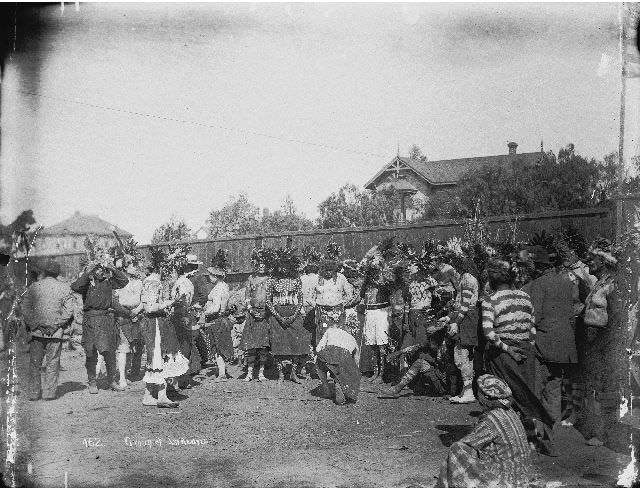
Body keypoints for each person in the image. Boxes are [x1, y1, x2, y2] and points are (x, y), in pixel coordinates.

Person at [481, 258, 556, 456]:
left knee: (505, 396)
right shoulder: (524, 297)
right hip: (526, 352)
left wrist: (508, 349)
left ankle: (508, 441)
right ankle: (535, 439)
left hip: (503, 354)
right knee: (528, 395)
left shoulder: (490, 300)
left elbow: (489, 333)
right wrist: (526, 348)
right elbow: (532, 328)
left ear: (492, 280)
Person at [434, 374, 533, 488]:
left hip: (508, 479)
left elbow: (469, 442)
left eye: (480, 393)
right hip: (523, 474)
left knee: (457, 449)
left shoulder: (491, 419)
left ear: (485, 397)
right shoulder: (510, 412)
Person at [521, 246, 582, 425]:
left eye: (530, 264)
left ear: (538, 266)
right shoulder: (566, 282)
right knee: (555, 387)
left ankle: (539, 431)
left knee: (537, 388)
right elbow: (573, 311)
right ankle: (551, 429)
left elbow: (535, 316)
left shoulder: (538, 284)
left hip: (544, 343)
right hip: (565, 343)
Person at [574, 238, 622, 447]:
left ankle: (603, 434)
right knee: (592, 384)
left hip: (601, 340)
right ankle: (595, 429)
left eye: (593, 259)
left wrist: (606, 343)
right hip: (591, 338)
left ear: (603, 261)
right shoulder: (599, 282)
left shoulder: (612, 284)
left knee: (601, 385)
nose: (588, 262)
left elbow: (617, 317)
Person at [71, 256, 129, 393]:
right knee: (90, 352)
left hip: (105, 320)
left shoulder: (108, 281)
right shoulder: (87, 282)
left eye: (101, 269)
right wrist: (88, 272)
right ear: (92, 271)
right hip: (90, 320)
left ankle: (111, 381)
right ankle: (92, 382)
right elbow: (75, 286)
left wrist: (112, 268)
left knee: (109, 352)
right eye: (97, 269)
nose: (100, 272)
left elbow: (124, 281)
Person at [22, 260, 75, 401]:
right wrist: (56, 324)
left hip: (37, 332)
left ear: (44, 272)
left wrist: (35, 325)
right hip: (55, 332)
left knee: (35, 364)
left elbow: (25, 309)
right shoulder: (65, 288)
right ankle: (49, 393)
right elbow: (69, 310)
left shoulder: (34, 287)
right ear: (58, 273)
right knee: (53, 362)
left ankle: (34, 393)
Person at [140, 261, 189, 408]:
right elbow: (150, 307)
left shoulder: (148, 282)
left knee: (155, 358)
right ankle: (161, 396)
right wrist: (171, 303)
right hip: (155, 323)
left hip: (154, 323)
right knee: (159, 356)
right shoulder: (154, 283)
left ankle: (148, 396)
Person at [266, 247, 311, 383]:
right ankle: (280, 373)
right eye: (281, 266)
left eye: (286, 266)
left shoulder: (297, 280)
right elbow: (268, 301)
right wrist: (278, 316)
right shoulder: (272, 281)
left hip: (294, 314)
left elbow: (301, 299)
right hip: (277, 314)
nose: (284, 269)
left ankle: (293, 373)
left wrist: (294, 315)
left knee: (297, 344)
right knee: (278, 346)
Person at [440, 256, 480, 404]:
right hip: (464, 318)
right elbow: (459, 305)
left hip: (467, 319)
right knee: (460, 355)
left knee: (463, 356)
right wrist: (450, 318)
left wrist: (456, 322)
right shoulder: (464, 278)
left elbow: (465, 305)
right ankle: (465, 390)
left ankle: (469, 392)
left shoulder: (468, 279)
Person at [112, 260, 145, 389]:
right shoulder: (118, 284)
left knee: (133, 347)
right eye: (131, 266)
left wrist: (137, 311)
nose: (134, 268)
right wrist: (128, 313)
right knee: (123, 348)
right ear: (125, 268)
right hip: (123, 317)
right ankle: (121, 378)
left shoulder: (139, 283)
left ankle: (126, 374)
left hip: (137, 316)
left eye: (135, 265)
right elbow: (116, 302)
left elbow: (143, 299)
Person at [315, 320, 360, 405]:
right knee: (340, 370)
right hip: (343, 355)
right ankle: (338, 382)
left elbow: (318, 349)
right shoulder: (352, 339)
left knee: (319, 361)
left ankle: (326, 388)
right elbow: (356, 360)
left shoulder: (330, 331)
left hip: (329, 353)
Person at [170, 257, 198, 389]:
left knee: (182, 346)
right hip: (182, 315)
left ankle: (181, 379)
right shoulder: (185, 283)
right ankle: (181, 379)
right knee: (184, 346)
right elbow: (183, 300)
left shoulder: (181, 282)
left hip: (181, 315)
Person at [312, 259, 353, 349]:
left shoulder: (341, 278)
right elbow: (309, 297)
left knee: (337, 334)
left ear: (334, 270)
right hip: (322, 312)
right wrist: (316, 306)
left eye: (331, 270)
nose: (328, 273)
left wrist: (341, 304)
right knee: (323, 335)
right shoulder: (317, 278)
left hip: (337, 312)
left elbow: (349, 295)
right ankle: (322, 358)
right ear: (323, 270)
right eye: (326, 270)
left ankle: (338, 357)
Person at [243, 253, 271, 382]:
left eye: (263, 265)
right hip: (252, 314)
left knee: (263, 345)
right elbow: (247, 296)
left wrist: (267, 311)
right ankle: (249, 373)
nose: (261, 267)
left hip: (266, 314)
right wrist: (250, 309)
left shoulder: (270, 279)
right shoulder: (251, 278)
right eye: (259, 265)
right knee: (251, 344)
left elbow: (272, 298)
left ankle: (261, 373)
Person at [203, 264, 234, 382]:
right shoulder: (224, 286)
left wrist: (204, 313)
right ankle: (221, 371)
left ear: (216, 276)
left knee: (216, 346)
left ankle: (222, 374)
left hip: (215, 319)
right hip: (221, 319)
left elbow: (216, 308)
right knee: (218, 345)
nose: (209, 277)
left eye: (211, 275)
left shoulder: (218, 289)